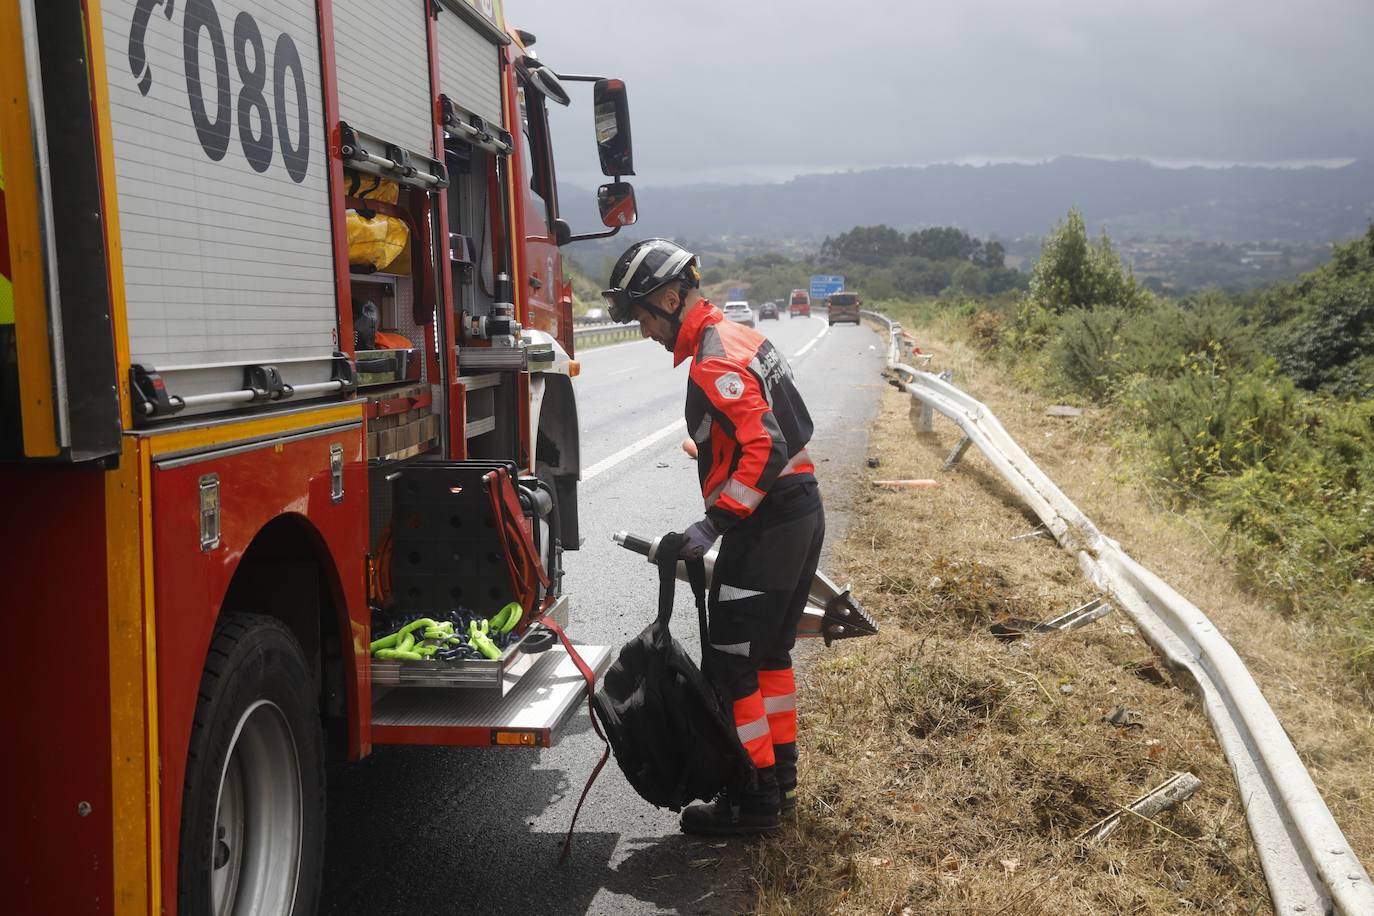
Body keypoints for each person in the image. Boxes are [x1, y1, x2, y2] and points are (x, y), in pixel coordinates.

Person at [602, 239, 826, 835]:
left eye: (645, 313)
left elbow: (766, 446)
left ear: (674, 298)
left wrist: (712, 524)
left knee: (730, 668)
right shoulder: (738, 337)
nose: (644, 329)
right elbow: (769, 431)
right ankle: (780, 783)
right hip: (801, 511)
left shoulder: (713, 359)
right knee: (769, 659)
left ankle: (753, 800)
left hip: (769, 525)